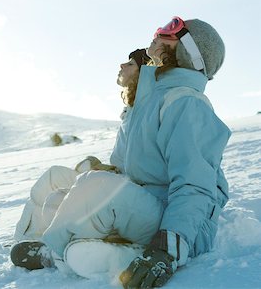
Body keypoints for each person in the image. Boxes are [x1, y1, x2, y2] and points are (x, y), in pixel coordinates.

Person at [12, 16, 230, 289]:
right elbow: (137, 170)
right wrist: (110, 171)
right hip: (149, 209)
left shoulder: (187, 103)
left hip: (182, 229)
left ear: (187, 50)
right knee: (61, 190)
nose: (158, 31)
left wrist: (167, 250)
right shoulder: (150, 102)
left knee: (95, 187)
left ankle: (52, 252)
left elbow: (195, 186)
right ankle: (86, 249)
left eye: (169, 30)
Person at [13, 48, 151, 243]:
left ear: (143, 73)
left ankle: (49, 244)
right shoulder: (131, 110)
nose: (121, 65)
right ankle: (25, 241)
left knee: (61, 199)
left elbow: (145, 168)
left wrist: (109, 174)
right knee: (54, 176)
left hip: (129, 198)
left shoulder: (147, 111)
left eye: (130, 64)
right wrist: (105, 168)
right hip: (116, 182)